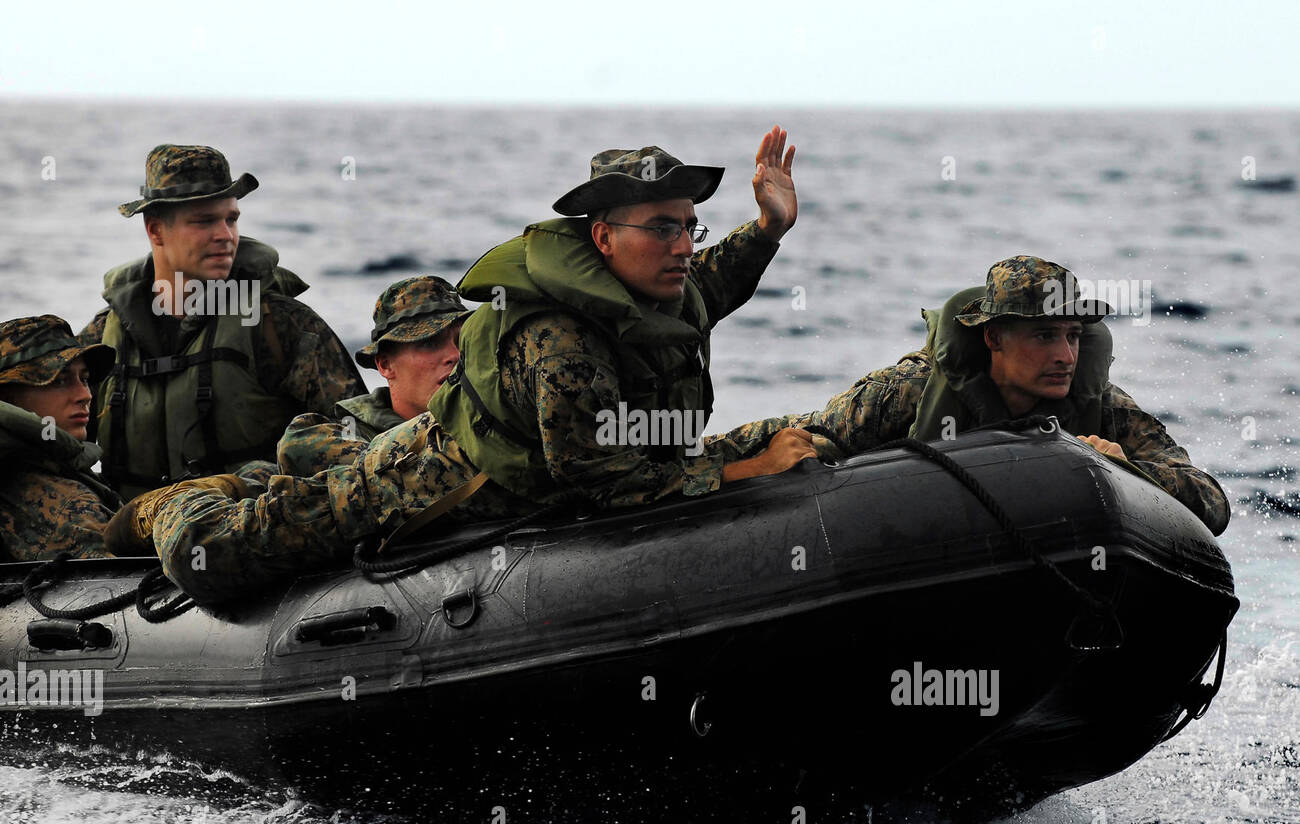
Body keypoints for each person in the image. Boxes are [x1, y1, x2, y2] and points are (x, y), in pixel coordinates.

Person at [106, 127, 817, 602]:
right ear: (603, 238)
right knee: (221, 558)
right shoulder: (559, 343)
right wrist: (741, 472)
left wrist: (767, 229)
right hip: (419, 478)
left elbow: (710, 287)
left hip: (519, 487)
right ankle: (178, 502)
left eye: (690, 226)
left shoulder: (653, 292)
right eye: (663, 229)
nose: (685, 246)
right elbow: (606, 484)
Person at [726, 256, 1229, 535]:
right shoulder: (912, 391)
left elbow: (1211, 502)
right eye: (1043, 336)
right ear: (992, 338)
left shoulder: (1106, 410)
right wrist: (707, 465)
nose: (1065, 356)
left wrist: (1131, 473)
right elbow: (810, 436)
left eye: (1073, 336)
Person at [78, 143, 366, 500]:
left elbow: (357, 450)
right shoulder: (101, 339)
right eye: (204, 222)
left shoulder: (280, 325)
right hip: (131, 548)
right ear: (155, 231)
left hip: (250, 538)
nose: (225, 236)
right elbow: (52, 452)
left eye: (231, 219)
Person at [276, 276, 470, 476]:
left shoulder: (492, 421)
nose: (455, 355)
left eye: (462, 340)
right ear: (385, 365)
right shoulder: (352, 434)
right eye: (429, 343)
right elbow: (296, 448)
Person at [0, 316, 122, 561]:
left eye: (84, 379)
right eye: (59, 380)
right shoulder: (71, 508)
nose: (85, 395)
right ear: (8, 396)